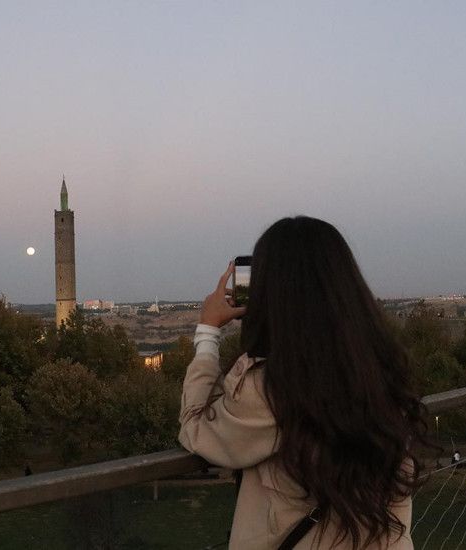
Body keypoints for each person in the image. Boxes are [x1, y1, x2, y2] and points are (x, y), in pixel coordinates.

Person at [178, 217, 427, 549]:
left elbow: (195, 428)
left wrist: (207, 332)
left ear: (268, 293)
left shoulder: (270, 388)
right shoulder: (377, 372)